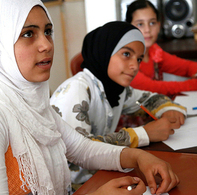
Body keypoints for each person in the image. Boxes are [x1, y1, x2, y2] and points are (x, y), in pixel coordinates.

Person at [0, 0, 179, 195]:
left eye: (47, 31)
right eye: (28, 34)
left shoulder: (31, 104)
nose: (46, 44)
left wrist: (139, 157)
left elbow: (82, 149)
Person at [50, 21, 186, 187]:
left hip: (101, 175)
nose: (134, 66)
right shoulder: (76, 90)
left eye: (139, 59)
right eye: (126, 54)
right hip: (72, 186)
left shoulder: (116, 89)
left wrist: (169, 109)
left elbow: (149, 99)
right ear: (105, 51)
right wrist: (143, 134)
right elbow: (79, 151)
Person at [125, 0, 197, 96]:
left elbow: (186, 66)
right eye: (140, 24)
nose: (147, 30)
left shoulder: (154, 52)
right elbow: (152, 88)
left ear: (159, 25)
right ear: (128, 28)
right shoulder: (126, 58)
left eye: (152, 23)